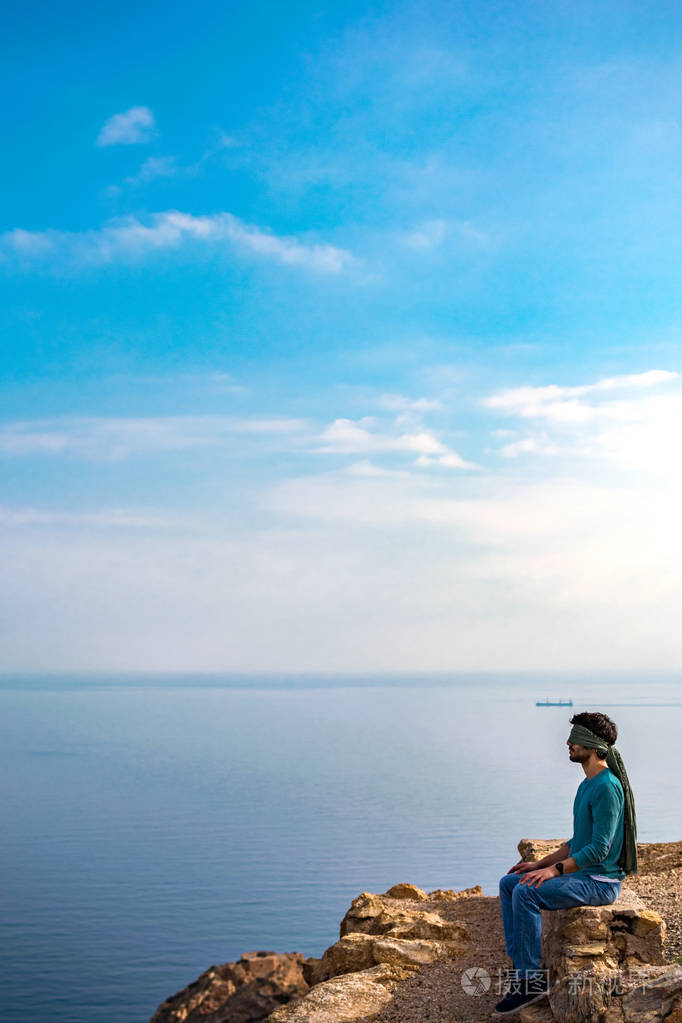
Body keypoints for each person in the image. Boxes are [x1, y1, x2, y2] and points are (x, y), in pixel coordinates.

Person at [493, 711, 638, 1016]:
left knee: (526, 892)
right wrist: (539, 864)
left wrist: (554, 871)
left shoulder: (607, 787)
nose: (568, 742)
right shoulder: (588, 784)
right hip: (585, 875)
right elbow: (578, 841)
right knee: (510, 883)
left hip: (601, 883)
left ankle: (531, 982)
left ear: (592, 744)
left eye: (576, 738)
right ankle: (521, 969)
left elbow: (599, 850)